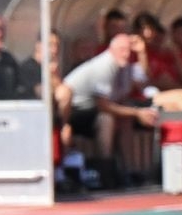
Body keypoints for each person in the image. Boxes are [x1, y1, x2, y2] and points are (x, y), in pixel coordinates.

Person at [61, 32, 157, 187]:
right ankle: (106, 172)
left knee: (125, 120)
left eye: (128, 50)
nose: (125, 54)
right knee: (107, 119)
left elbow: (143, 80)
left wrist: (141, 52)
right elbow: (103, 105)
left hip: (94, 109)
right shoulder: (105, 65)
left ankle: (128, 170)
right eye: (122, 50)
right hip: (76, 109)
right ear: (112, 50)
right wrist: (137, 113)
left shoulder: (124, 65)